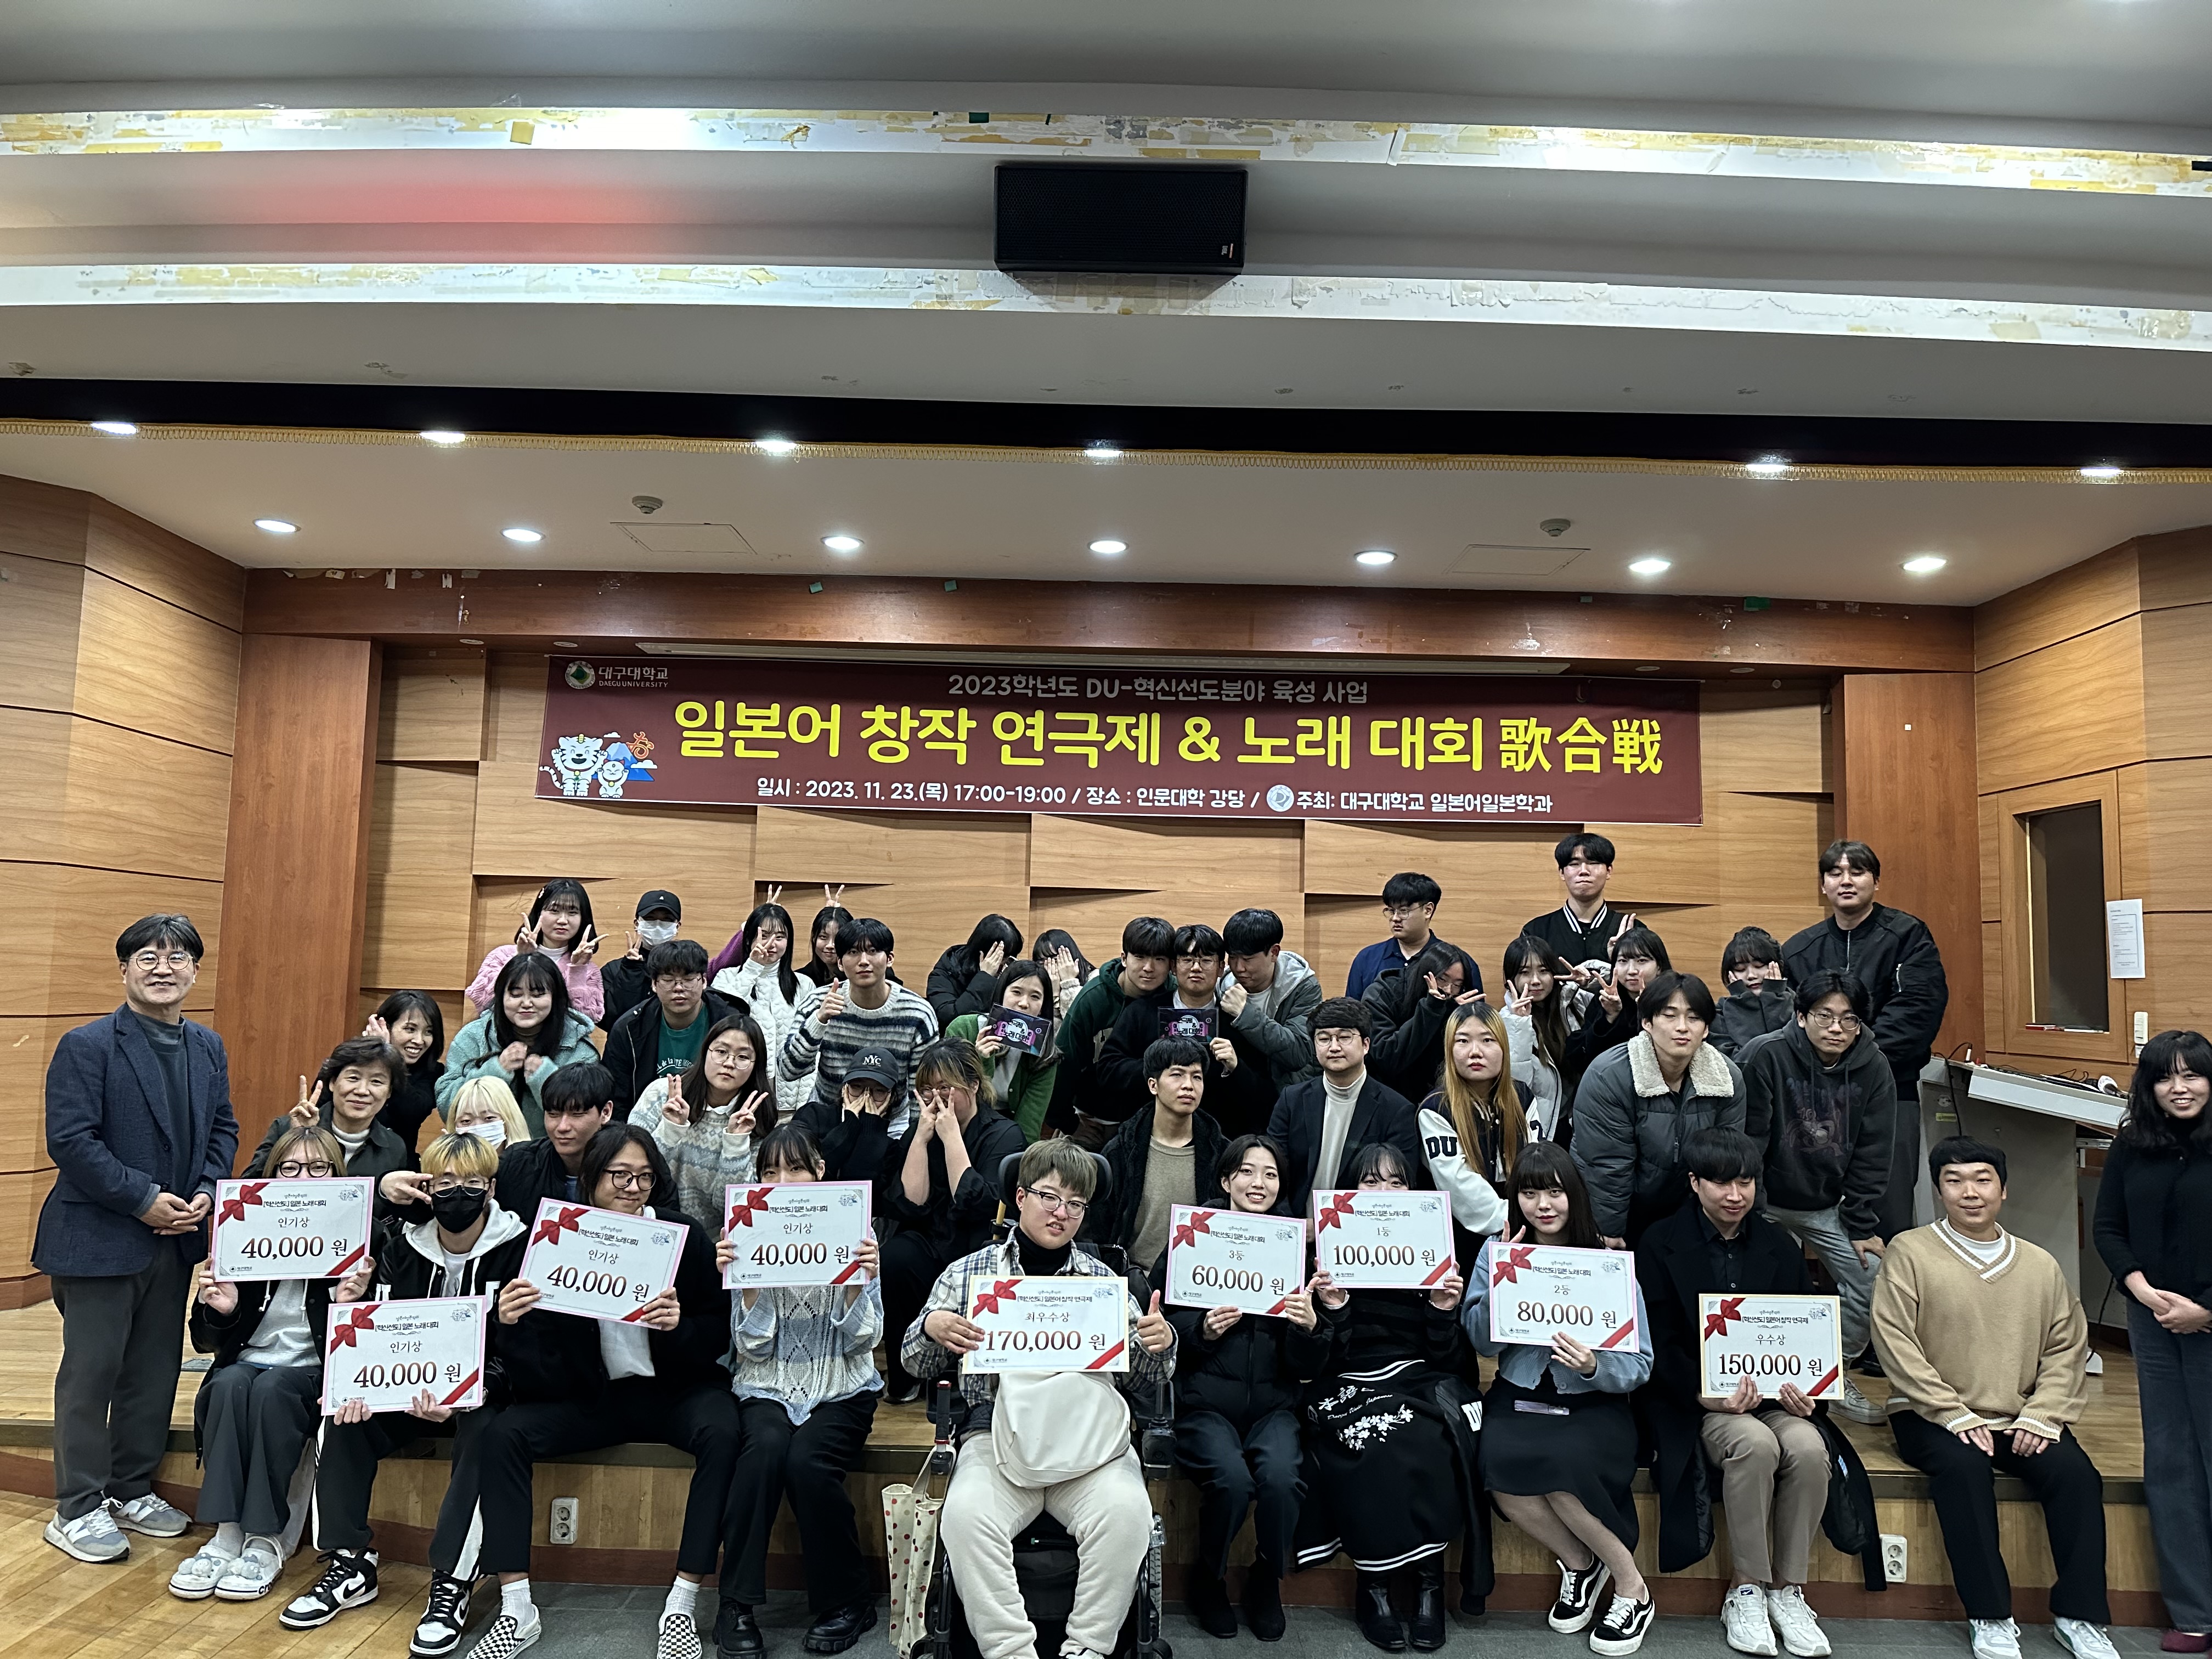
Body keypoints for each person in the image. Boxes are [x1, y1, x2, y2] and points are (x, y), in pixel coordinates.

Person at [470, 1124, 741, 1659]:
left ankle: (683, 1602)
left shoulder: (682, 1235)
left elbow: (717, 1331)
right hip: (592, 1399)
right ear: (592, 1178)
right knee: (503, 1435)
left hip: (674, 1392)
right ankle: (517, 1608)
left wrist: (679, 1327)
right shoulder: (556, 1238)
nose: (632, 1187)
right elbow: (536, 1367)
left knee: (725, 1430)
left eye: (644, 1176)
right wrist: (509, 1323)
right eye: (620, 1175)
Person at [903, 1138, 1177, 1659]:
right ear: (1021, 1197)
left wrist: (1160, 1345)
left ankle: (1088, 1649)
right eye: (1050, 1197)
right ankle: (1010, 1650)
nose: (1061, 1213)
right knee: (965, 1515)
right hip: (996, 1437)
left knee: (1128, 1514)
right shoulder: (969, 1274)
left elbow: (1148, 1378)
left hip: (1090, 1443)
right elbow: (914, 1363)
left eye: (1076, 1204)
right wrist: (932, 1328)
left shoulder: (1104, 1281)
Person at [37, 913, 238, 1563]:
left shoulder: (208, 1046)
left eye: (177, 957)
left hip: (175, 1238)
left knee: (153, 1373)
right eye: (148, 957)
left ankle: (130, 1489)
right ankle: (77, 1505)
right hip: (98, 1236)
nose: (163, 968)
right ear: (124, 969)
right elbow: (72, 1141)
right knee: (91, 1374)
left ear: (195, 972)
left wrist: (208, 1189)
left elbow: (224, 1128)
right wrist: (143, 1199)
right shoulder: (87, 1044)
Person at [284, 1131, 528, 1654]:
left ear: (491, 1188)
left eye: (472, 1183)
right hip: (408, 1395)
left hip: (486, 1395)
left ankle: (453, 1580)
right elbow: (380, 1341)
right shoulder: (400, 1249)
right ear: (427, 1189)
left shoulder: (521, 1250)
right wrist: (350, 1361)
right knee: (342, 1420)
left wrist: (475, 1390)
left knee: (488, 1433)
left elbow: (534, 1350)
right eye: (445, 1182)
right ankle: (350, 1562)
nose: (458, 1194)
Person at [1872, 1137, 2117, 1659]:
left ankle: (2079, 1616)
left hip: (2021, 1415)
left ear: (2003, 1190)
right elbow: (1895, 1342)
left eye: (1982, 1180)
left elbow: (2067, 1348)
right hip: (1929, 1415)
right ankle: (1990, 1615)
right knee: (1963, 1471)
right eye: (1955, 1181)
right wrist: (1951, 1412)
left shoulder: (2040, 1264)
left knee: (2076, 1476)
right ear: (1938, 1191)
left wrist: (2045, 1414)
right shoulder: (1909, 1252)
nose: (1970, 1192)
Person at [1635, 1130, 1835, 1659]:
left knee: (1809, 1447)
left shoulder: (1779, 1245)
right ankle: (1746, 1588)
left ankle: (1787, 1590)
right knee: (1756, 1444)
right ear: (1694, 1183)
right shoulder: (1659, 1242)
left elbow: (1807, 1335)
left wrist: (1811, 1393)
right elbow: (1654, 1342)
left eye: (1745, 1182)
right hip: (1698, 1403)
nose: (1735, 1195)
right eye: (1721, 1183)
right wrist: (1704, 1394)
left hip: (1775, 1399)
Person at [1463, 1143, 1655, 1657]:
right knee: (1497, 1466)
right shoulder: (1495, 1253)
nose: (1543, 1205)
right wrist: (1504, 1276)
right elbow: (1481, 1342)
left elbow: (1641, 1364)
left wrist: (1595, 1366)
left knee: (1564, 1469)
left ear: (1575, 1194)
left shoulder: (1608, 1262)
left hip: (1594, 1403)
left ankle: (1633, 1587)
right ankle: (1579, 1564)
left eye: (1554, 1191)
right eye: (1530, 1193)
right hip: (1519, 1394)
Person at [1298, 1142, 1479, 1655]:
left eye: (1397, 1182)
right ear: (1351, 1190)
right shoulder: (1326, 1257)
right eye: (1371, 1181)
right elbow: (1320, 1360)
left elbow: (1448, 1360)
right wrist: (1335, 1309)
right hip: (1347, 1382)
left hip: (1416, 1379)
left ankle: (1429, 1586)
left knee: (1428, 1436)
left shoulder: (1433, 1252)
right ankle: (1373, 1587)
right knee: (1371, 1439)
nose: (1385, 1191)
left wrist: (1442, 1310)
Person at [713, 1123, 885, 1659]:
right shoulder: (746, 1231)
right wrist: (750, 1287)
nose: (783, 1182)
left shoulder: (855, 1230)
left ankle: (849, 1601)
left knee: (809, 1462)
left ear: (820, 1172)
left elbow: (866, 1340)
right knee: (762, 1453)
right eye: (770, 1172)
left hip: (842, 1385)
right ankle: (735, 1605)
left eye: (795, 1169)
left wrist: (855, 1285)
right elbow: (752, 1348)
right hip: (767, 1383)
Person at [167, 1123, 356, 1602]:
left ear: (337, 1175)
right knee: (228, 1384)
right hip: (247, 1364)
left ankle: (266, 1539)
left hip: (310, 1370)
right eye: (290, 1168)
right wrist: (222, 1310)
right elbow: (204, 1339)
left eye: (318, 1168)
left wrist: (349, 1302)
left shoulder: (359, 1235)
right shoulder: (243, 1230)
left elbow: (368, 1337)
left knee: (272, 1392)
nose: (304, 1179)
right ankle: (226, 1534)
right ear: (272, 1175)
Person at [1168, 1134, 1323, 1641]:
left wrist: (1308, 1329)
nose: (1260, 1183)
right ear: (1225, 1180)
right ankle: (1208, 1579)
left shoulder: (1294, 1250)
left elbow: (1309, 1364)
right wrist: (1201, 1331)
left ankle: (1266, 1578)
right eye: (1248, 1172)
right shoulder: (1194, 1235)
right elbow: (1162, 1326)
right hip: (1205, 1404)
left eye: (1271, 1174)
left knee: (1282, 1479)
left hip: (1275, 1408)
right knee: (1232, 1481)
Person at [2092, 1030, 2212, 1655]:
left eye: (2193, 1075)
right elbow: (2108, 1227)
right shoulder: (2132, 1145)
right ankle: (2194, 1612)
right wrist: (2140, 1289)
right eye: (2166, 1076)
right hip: (2154, 1320)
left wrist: (2206, 1311)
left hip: (2209, 1320)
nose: (2180, 1088)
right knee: (2170, 1464)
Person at [1737, 970, 1895, 1424]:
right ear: (1802, 1015)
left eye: (1849, 1019)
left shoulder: (1874, 1067)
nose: (1836, 1028)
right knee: (1760, 1286)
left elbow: (1874, 1151)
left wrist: (1860, 1223)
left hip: (1829, 1206)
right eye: (1825, 1016)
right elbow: (1750, 1141)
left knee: (1875, 1278)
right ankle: (1756, 1384)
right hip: (1764, 1202)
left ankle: (1828, 1373)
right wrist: (1750, 1215)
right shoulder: (1765, 1054)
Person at [1781, 840, 1950, 1238]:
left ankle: (1888, 1281)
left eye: (1857, 872)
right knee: (1805, 1210)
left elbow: (1917, 1012)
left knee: (1886, 1213)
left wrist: (1851, 1059)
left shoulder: (1907, 935)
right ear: (1823, 885)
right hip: (1812, 1097)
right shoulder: (1799, 949)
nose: (1846, 881)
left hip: (1890, 1090)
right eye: (1835, 873)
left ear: (1875, 881)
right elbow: (1791, 1021)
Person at [876, 1039, 1026, 1404]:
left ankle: (968, 1377)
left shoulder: (1004, 1133)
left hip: (979, 1240)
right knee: (896, 1257)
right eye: (927, 1090)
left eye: (946, 1088)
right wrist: (921, 1139)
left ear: (973, 1084)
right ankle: (906, 1377)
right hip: (931, 1236)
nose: (936, 1099)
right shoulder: (922, 1128)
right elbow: (911, 1203)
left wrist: (951, 1138)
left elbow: (976, 1202)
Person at [1573, 972, 1747, 1248]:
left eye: (1694, 1018)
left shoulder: (1727, 1078)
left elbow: (1724, 1160)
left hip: (1689, 1208)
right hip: (1621, 1206)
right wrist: (1610, 1230)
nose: (1683, 1027)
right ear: (1647, 1023)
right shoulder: (1609, 1076)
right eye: (1669, 1016)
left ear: (1706, 1029)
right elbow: (1607, 1165)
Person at [1096, 924, 1274, 1139]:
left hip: (1221, 1139)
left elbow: (1266, 1098)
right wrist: (1159, 1067)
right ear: (1173, 966)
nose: (1196, 968)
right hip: (1147, 1135)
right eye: (1187, 960)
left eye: (1206, 961)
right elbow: (1107, 1070)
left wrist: (1236, 1068)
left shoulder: (1237, 1021)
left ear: (1221, 968)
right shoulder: (1142, 1012)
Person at [387, 1061, 614, 1226]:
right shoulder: (520, 1161)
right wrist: (386, 1187)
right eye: (553, 1114)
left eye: (577, 1114)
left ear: (605, 1112)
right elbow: (450, 1207)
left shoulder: (626, 1160)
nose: (562, 1126)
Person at [1267, 997, 1423, 1221]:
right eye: (1324, 1039)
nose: (1334, 1047)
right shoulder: (1291, 1100)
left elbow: (1399, 1187)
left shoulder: (1397, 1110)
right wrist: (1294, 1226)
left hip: (1361, 1230)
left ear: (1366, 1045)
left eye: (1344, 1037)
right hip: (1297, 1225)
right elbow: (1273, 1169)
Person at [780, 917, 939, 1136]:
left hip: (890, 1126)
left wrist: (914, 1141)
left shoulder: (918, 1013)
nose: (864, 961)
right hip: (828, 1118)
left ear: (890, 959)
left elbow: (921, 1092)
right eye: (853, 952)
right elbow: (788, 1070)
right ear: (840, 963)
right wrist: (819, 1020)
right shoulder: (819, 1002)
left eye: (873, 951)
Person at [1097, 1036, 1228, 1286]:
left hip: (1201, 1283)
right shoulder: (1120, 1152)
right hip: (1133, 1281)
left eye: (1197, 1077)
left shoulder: (1222, 1153)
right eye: (1177, 1075)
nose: (1188, 1086)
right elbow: (1101, 1228)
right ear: (1153, 1085)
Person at [437, 951, 599, 1138]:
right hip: (482, 1150)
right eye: (516, 995)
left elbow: (586, 1118)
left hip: (552, 1151)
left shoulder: (578, 1045)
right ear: (501, 997)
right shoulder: (473, 1036)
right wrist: (496, 1070)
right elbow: (446, 1107)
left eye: (537, 994)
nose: (526, 1003)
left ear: (555, 997)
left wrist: (546, 1078)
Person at [1047, 915, 1175, 1148]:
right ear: (1124, 958)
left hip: (1153, 1122)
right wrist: (1068, 1122)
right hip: (1093, 1118)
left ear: (1171, 964)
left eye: (1159, 959)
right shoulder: (1093, 998)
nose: (1149, 968)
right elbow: (1065, 1062)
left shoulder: (1176, 997)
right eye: (1140, 957)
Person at [644, 1012, 777, 1225]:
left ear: (756, 1066)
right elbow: (632, 1172)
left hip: (714, 1237)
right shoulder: (662, 1093)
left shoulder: (756, 1118)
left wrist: (736, 1144)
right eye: (721, 1052)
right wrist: (669, 1130)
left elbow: (734, 1207)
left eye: (743, 1057)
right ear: (705, 1051)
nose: (729, 1063)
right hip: (651, 1222)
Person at [242, 1036, 416, 1189]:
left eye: (377, 1082)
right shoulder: (286, 1127)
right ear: (333, 1083)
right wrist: (296, 1136)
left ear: (389, 1092)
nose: (362, 1091)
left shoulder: (394, 1147)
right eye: (353, 1078)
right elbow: (246, 1190)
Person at [603, 939, 745, 1114]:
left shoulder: (732, 1024)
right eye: (668, 980)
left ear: (704, 981)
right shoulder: (628, 1028)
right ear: (654, 984)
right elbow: (616, 1098)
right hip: (647, 1121)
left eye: (689, 979)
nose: (679, 988)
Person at [1415, 1001, 1517, 1243]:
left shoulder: (1523, 1098)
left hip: (1524, 1229)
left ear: (1504, 1046)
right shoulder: (1435, 1110)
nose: (1475, 1052)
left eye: (1487, 1040)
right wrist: (1518, 1220)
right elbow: (1460, 1187)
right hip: (1459, 1240)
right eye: (1463, 1041)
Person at [944, 958, 1064, 1143]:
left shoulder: (1045, 1054)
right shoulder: (963, 1029)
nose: (1024, 1003)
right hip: (960, 1124)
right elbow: (951, 1097)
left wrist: (1017, 1156)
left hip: (1008, 1132)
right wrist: (980, 1061)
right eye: (1017, 992)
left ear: (1042, 1007)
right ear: (1002, 993)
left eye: (1035, 997)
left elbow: (1029, 1125)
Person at [712, 900, 814, 1114]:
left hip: (791, 1104)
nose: (771, 944)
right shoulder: (726, 978)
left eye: (780, 937)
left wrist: (804, 1107)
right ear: (750, 938)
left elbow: (811, 1046)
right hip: (740, 1098)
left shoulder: (804, 985)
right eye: (764, 936)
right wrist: (752, 967)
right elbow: (725, 1019)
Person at [1362, 937, 1487, 1106]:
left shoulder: (1453, 1004)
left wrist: (1452, 1014)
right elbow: (1388, 1057)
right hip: (1386, 1099)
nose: (1449, 990)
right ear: (1425, 973)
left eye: (1457, 985)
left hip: (1440, 1100)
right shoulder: (1382, 993)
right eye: (1442, 979)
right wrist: (1432, 1009)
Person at [1560, 926, 1671, 1111]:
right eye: (1623, 961)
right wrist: (1610, 1017)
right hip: (1608, 1096)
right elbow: (1582, 1058)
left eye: (1642, 961)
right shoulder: (1606, 999)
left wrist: (1647, 1012)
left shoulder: (1673, 999)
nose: (1631, 970)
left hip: (1661, 1098)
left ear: (1659, 966)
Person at [466, 877, 606, 1023]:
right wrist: (519, 960)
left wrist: (577, 970)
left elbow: (588, 1021)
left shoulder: (589, 971)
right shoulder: (501, 956)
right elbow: (483, 1002)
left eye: (572, 912)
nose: (563, 920)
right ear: (539, 912)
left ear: (583, 919)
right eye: (554, 910)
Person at [1221, 907, 1323, 1096]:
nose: (1239, 968)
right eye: (1233, 957)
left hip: (1289, 1095)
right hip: (1239, 1092)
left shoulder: (1303, 987)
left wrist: (1245, 1014)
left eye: (1248, 959)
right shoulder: (1222, 987)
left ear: (1274, 953)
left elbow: (1299, 1053)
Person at [1521, 833, 1629, 979]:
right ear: (1562, 873)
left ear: (1609, 871)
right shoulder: (1536, 932)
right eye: (1574, 864)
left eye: (1593, 863)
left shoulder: (1631, 930)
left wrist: (1621, 959)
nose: (1584, 871)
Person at [1500, 937, 1575, 1144]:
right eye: (1525, 973)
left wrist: (1591, 981)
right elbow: (1517, 1086)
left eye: (1543, 971)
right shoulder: (1505, 1022)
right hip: (1539, 1129)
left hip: (1577, 1121)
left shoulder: (1572, 1004)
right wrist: (1519, 1024)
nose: (1536, 980)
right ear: (1511, 978)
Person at [1346, 873, 1466, 1000]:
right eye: (1391, 911)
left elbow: (1474, 1010)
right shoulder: (1367, 959)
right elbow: (1351, 1011)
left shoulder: (1458, 963)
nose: (1395, 918)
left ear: (1428, 910)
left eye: (1403, 911)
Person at [364, 989, 448, 1148]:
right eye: (410, 1029)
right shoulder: (349, 1061)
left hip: (400, 1159)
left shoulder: (433, 1072)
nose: (419, 1040)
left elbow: (411, 1112)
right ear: (385, 1027)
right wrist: (375, 1053)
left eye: (428, 1032)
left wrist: (388, 1058)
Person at [602, 889, 686, 1032]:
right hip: (627, 1045)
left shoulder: (688, 969)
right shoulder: (614, 970)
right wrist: (631, 970)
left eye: (667, 920)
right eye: (650, 918)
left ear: (677, 927)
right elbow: (609, 1020)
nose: (658, 925)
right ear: (637, 924)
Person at [927, 913, 1027, 1028]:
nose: (1004, 964)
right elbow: (950, 1020)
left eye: (1010, 958)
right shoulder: (945, 973)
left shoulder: (1007, 970)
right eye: (999, 957)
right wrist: (985, 978)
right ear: (981, 953)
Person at [1711, 929, 1793, 1059]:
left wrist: (1775, 998)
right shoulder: (1718, 1015)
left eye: (1759, 966)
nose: (1751, 976)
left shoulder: (1801, 1006)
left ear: (1779, 967)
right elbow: (1743, 1062)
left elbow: (1790, 1053)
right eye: (1740, 969)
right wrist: (1744, 1003)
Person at [450, 1075, 533, 1149]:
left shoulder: (531, 1160)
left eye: (489, 1118)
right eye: (466, 1121)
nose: (478, 1127)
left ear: (509, 1120)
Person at [797, 899, 854, 991]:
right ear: (814, 939)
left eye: (837, 938)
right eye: (823, 937)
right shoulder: (801, 979)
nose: (830, 945)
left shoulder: (860, 976)